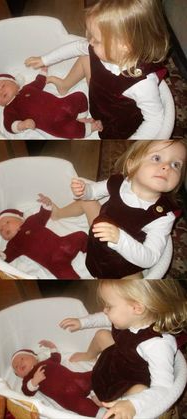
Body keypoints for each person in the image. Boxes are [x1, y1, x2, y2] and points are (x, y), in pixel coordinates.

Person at [25, 0, 170, 139]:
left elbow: (155, 120)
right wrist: (45, 59)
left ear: (125, 46)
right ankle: (65, 84)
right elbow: (76, 47)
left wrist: (134, 142)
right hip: (100, 96)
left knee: (88, 54)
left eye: (96, 39)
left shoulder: (142, 84)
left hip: (113, 120)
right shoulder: (105, 49)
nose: (90, 41)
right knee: (86, 55)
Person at [49, 140, 187, 279]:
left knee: (135, 284)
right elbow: (93, 191)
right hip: (97, 240)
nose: (167, 167)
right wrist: (83, 191)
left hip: (124, 262)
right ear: (132, 165)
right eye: (157, 158)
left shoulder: (162, 215)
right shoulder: (119, 182)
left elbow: (150, 258)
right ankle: (58, 213)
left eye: (176, 165)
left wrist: (119, 239)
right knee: (87, 201)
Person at [60, 279, 187, 419]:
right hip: (115, 361)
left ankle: (117, 403)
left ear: (137, 308)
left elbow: (163, 389)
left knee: (140, 390)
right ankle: (89, 356)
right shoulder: (130, 317)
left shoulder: (157, 345)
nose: (105, 310)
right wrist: (82, 322)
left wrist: (133, 404)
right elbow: (105, 317)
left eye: (109, 306)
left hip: (128, 381)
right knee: (102, 334)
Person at [0, 196, 88, 279]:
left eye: (7, 222)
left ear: (20, 219)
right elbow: (5, 258)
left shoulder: (31, 221)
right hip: (54, 262)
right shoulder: (13, 244)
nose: (4, 228)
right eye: (0, 230)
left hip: (64, 243)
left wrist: (46, 204)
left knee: (81, 236)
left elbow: (42, 215)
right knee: (66, 276)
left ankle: (94, 251)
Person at [0, 68, 102, 139]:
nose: (0, 91)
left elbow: (39, 82)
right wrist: (22, 125)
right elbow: (9, 125)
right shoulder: (9, 109)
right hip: (53, 124)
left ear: (15, 83)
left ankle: (80, 118)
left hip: (62, 104)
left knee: (80, 97)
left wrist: (43, 71)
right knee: (70, 130)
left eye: (2, 86)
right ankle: (89, 128)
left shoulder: (27, 88)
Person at [11, 339, 107, 418]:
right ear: (19, 375)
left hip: (77, 379)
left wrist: (52, 347)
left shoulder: (47, 362)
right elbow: (26, 391)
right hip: (66, 397)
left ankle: (95, 392)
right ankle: (104, 414)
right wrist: (34, 381)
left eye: (22, 358)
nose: (19, 364)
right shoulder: (28, 379)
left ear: (35, 357)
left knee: (95, 376)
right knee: (81, 407)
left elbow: (56, 357)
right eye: (16, 367)